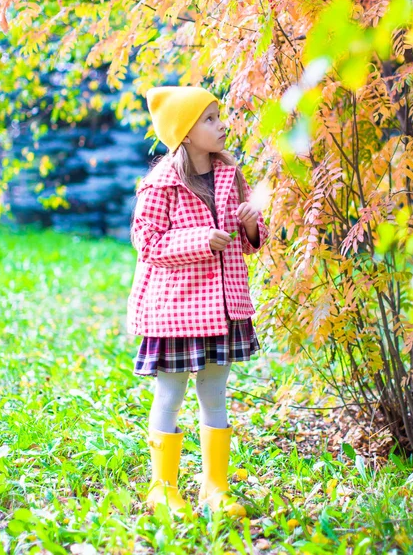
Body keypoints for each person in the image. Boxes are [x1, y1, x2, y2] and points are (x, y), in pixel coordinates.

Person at [127, 86, 269, 519]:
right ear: (185, 133)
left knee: (215, 393)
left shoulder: (229, 175)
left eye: (218, 116)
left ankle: (215, 487)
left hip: (222, 308)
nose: (220, 125)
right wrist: (199, 240)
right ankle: (162, 487)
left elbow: (248, 244)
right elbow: (146, 243)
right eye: (209, 119)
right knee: (169, 393)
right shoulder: (160, 184)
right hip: (175, 309)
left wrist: (250, 226)